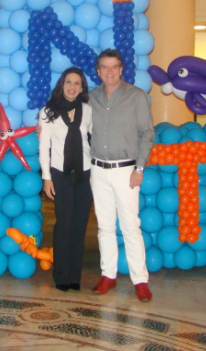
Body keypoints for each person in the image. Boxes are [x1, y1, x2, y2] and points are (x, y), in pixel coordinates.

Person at [88, 49, 154, 302]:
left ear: (121, 69)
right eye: (105, 67)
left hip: (126, 170)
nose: (110, 71)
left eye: (114, 66)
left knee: (130, 226)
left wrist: (140, 168)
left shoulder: (136, 96)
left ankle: (140, 280)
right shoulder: (90, 98)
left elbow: (146, 133)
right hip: (98, 170)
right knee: (104, 226)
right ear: (98, 71)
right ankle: (108, 275)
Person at [39, 67, 94, 292]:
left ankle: (74, 275)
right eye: (68, 82)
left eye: (77, 83)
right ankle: (61, 275)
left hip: (85, 173)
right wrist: (46, 177)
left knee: (80, 225)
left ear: (82, 88)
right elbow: (44, 146)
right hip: (60, 174)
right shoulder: (48, 111)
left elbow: (93, 139)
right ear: (62, 85)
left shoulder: (88, 110)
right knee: (64, 224)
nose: (72, 86)